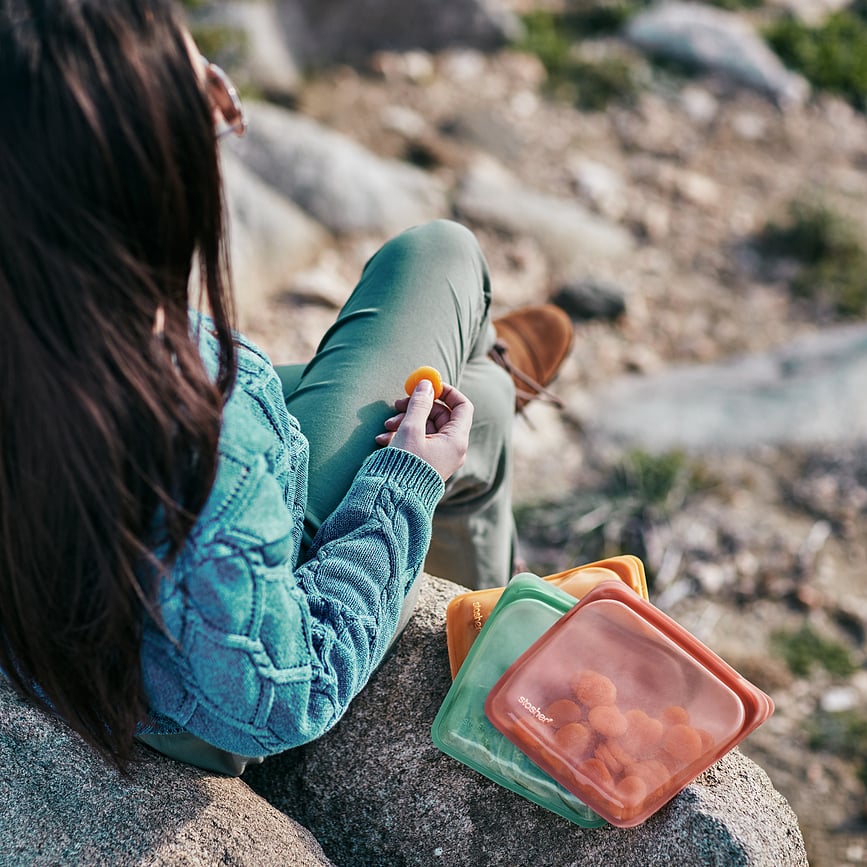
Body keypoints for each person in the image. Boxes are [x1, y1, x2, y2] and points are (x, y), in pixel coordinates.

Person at [0, 0, 573, 776]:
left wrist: (169, 105)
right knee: (446, 271)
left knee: (437, 376)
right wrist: (403, 487)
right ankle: (491, 661)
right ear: (143, 173)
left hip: (63, 608)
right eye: (187, 68)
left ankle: (479, 370)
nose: (215, 84)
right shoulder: (203, 427)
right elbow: (279, 695)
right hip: (178, 703)